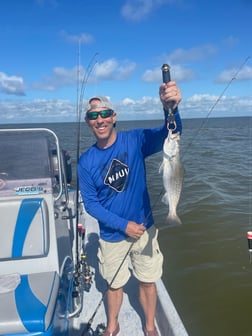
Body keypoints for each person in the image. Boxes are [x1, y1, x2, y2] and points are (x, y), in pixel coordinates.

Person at [78, 81, 182, 336]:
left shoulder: (135, 140)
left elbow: (172, 131)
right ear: (88, 122)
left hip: (145, 229)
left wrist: (171, 108)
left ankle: (149, 326)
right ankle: (113, 325)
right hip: (113, 235)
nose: (99, 119)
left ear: (114, 117)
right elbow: (91, 204)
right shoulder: (86, 162)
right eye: (93, 115)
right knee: (114, 285)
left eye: (104, 113)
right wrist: (123, 225)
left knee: (148, 280)